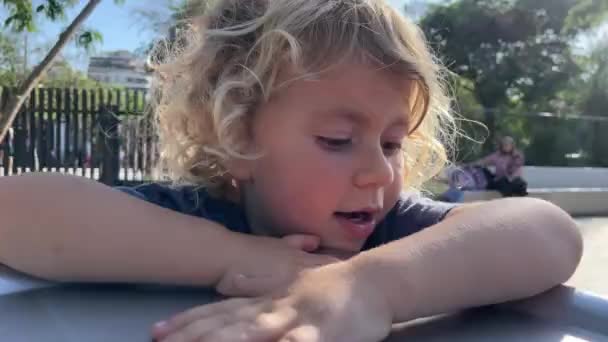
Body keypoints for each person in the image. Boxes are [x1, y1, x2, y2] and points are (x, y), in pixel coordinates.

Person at [0, 1, 582, 342]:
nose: (378, 173)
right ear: (236, 138)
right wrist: (233, 256)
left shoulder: (388, 235)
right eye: (337, 140)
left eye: (392, 142)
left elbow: (547, 232)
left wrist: (368, 286)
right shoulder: (197, 215)